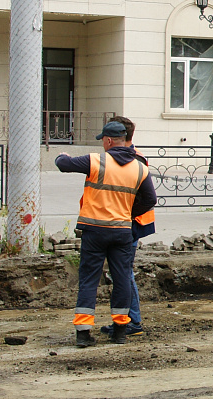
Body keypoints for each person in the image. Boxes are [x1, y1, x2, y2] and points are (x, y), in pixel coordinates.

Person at [55, 120, 156, 347]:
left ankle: (83, 333)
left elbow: (64, 164)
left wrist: (61, 154)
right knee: (121, 279)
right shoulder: (140, 167)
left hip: (95, 230)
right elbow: (150, 199)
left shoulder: (97, 160)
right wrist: (128, 214)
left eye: (102, 140)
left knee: (89, 279)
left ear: (109, 140)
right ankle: (121, 330)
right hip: (122, 231)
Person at [97, 116, 152, 339]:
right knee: (122, 272)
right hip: (126, 222)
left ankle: (132, 320)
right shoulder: (133, 157)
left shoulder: (134, 160)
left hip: (128, 223)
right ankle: (127, 319)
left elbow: (143, 197)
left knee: (124, 272)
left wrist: (125, 215)